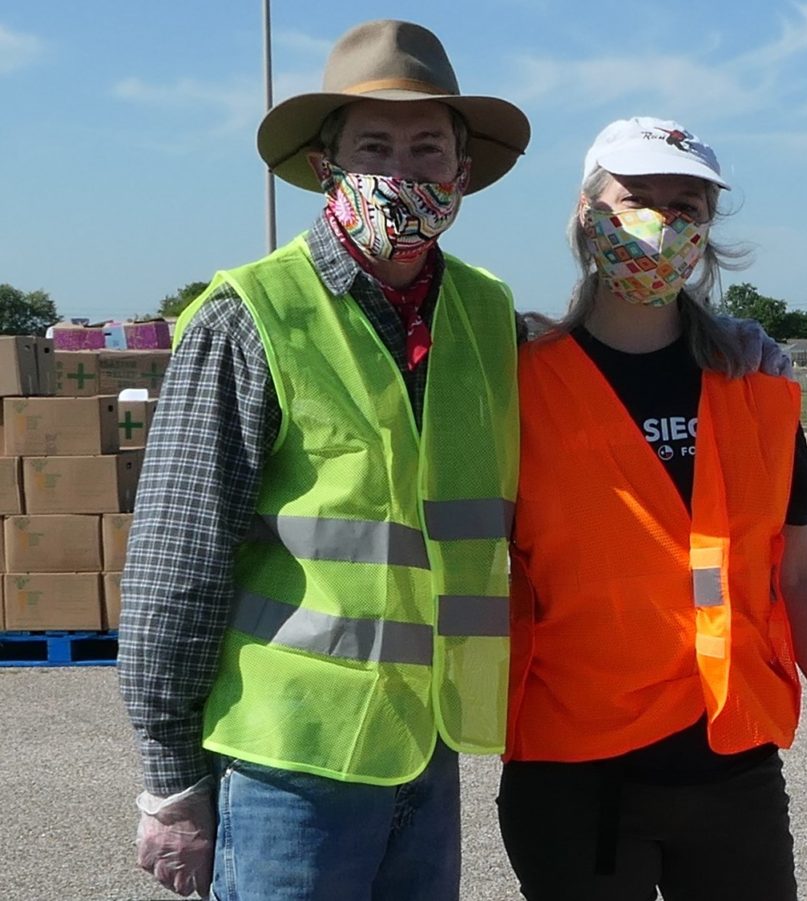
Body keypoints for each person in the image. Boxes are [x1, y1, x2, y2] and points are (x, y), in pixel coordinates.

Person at [118, 19, 531, 901]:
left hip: (427, 749)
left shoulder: (489, 316)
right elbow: (175, 562)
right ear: (326, 168)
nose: (403, 170)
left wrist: (726, 343)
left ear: (462, 172)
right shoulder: (249, 315)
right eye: (374, 145)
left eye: (428, 147)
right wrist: (170, 780)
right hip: (287, 764)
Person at [497, 117, 807, 901]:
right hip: (575, 775)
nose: (662, 223)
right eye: (636, 198)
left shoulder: (757, 385)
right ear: (588, 211)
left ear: (709, 228)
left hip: (731, 771)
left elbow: (796, 576)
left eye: (686, 205)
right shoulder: (517, 384)